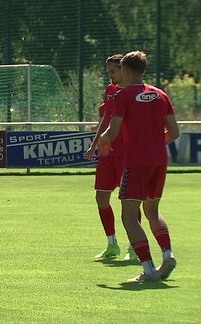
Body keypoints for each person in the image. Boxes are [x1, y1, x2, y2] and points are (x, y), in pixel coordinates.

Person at [99, 51, 180, 282]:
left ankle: (148, 269)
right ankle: (168, 254)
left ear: (125, 70)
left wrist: (102, 140)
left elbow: (112, 131)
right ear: (143, 70)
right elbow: (174, 132)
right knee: (152, 211)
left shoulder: (122, 96)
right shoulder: (161, 95)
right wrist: (154, 144)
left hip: (136, 162)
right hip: (159, 159)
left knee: (129, 216)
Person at [85, 54, 139, 261]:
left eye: (113, 71)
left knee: (130, 202)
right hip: (108, 155)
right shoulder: (110, 90)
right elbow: (106, 120)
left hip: (127, 155)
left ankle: (134, 247)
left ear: (125, 70)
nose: (110, 75)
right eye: (108, 71)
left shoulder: (136, 92)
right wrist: (94, 144)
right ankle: (111, 244)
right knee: (101, 197)